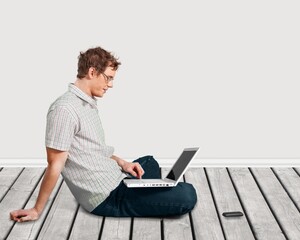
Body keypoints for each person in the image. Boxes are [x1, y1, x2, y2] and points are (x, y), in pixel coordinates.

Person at [10, 46, 197, 222]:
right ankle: (150, 194)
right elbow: (55, 164)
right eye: (108, 78)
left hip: (114, 176)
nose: (111, 84)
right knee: (188, 195)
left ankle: (149, 190)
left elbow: (97, 150)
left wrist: (123, 163)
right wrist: (36, 209)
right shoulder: (64, 110)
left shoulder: (87, 103)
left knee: (149, 162)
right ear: (92, 72)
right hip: (107, 196)